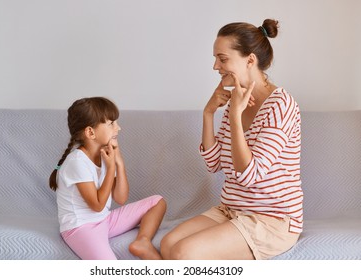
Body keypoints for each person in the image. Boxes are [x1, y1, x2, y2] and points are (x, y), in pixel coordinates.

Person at [160, 19, 302, 260]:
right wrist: (208, 113)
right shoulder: (234, 103)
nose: (216, 66)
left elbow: (249, 175)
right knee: (168, 244)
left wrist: (236, 115)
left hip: (271, 220)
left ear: (249, 60)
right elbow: (213, 164)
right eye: (216, 58)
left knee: (183, 253)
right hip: (232, 210)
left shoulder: (281, 106)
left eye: (223, 58)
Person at [49, 97, 166, 260]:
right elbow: (97, 205)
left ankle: (142, 242)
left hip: (105, 220)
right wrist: (110, 168)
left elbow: (121, 197)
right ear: (90, 132)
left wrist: (119, 164)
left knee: (157, 201)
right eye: (111, 123)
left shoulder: (106, 154)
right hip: (81, 228)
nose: (118, 127)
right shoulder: (77, 162)